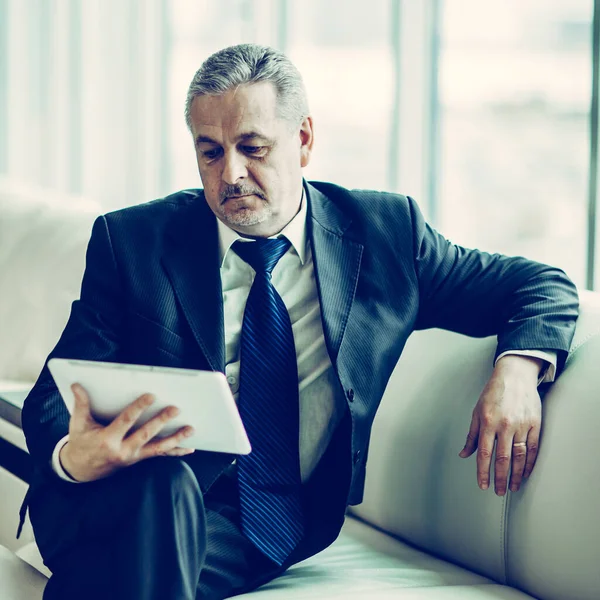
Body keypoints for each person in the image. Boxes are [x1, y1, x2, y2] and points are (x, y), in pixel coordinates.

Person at [19, 43, 578, 600]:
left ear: (304, 140)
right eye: (210, 152)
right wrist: (74, 457)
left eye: (253, 147)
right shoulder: (132, 243)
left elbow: (541, 285)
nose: (231, 174)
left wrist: (518, 369)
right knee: (162, 483)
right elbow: (51, 398)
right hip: (121, 498)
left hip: (261, 527)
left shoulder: (386, 235)